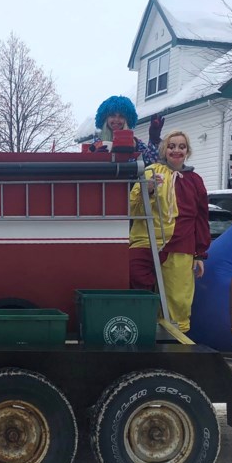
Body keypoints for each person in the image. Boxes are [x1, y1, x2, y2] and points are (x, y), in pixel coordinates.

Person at [128, 130, 210, 332]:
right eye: (172, 146)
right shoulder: (150, 171)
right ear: (165, 150)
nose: (176, 150)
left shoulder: (195, 180)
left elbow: (201, 218)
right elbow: (131, 207)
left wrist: (200, 254)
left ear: (187, 151)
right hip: (147, 240)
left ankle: (176, 338)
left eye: (181, 146)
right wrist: (148, 189)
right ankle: (143, 326)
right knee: (135, 276)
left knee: (178, 298)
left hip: (182, 245)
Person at [91, 95, 163, 164]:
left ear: (127, 120)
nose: (116, 120)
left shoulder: (136, 144)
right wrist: (96, 157)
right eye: (112, 115)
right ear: (105, 118)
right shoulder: (96, 144)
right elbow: (86, 167)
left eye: (121, 116)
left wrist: (154, 140)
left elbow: (151, 160)